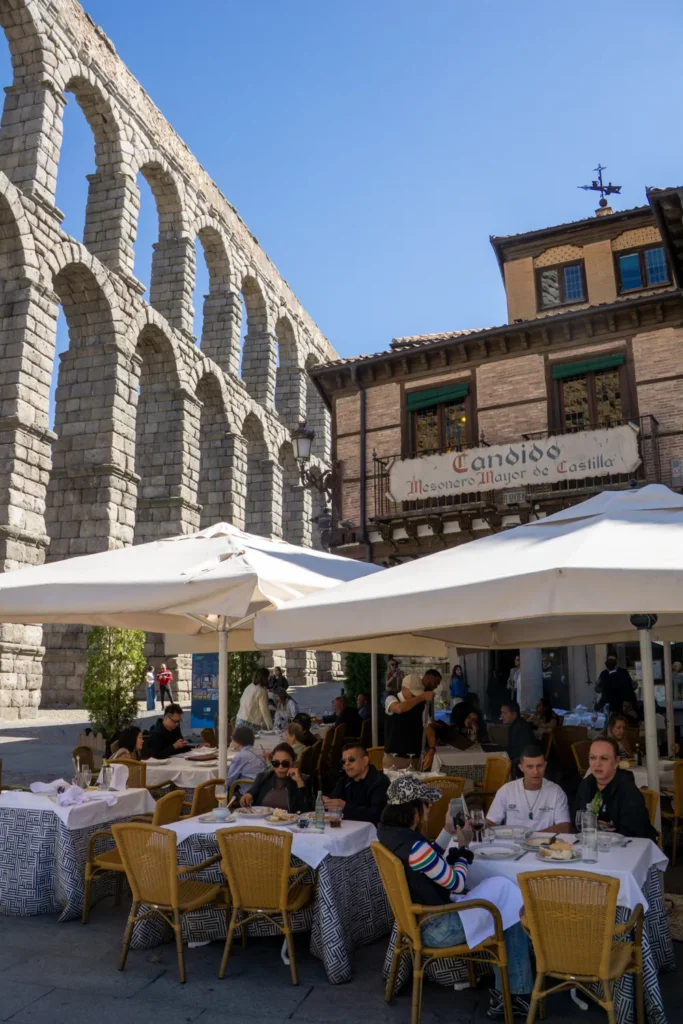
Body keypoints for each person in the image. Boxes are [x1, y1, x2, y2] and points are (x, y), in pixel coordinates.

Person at [377, 775, 533, 1020]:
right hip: (437, 927)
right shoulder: (416, 848)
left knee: (504, 901)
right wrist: (463, 849)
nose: (430, 810)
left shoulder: (389, 834)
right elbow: (457, 883)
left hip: (414, 922)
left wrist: (447, 831)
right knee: (508, 898)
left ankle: (511, 994)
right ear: (414, 811)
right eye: (426, 806)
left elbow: (427, 863)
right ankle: (514, 996)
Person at [574, 738, 657, 840]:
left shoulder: (628, 790)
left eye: (604, 758)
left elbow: (632, 834)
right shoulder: (586, 784)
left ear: (616, 761)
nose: (597, 764)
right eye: (592, 758)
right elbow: (576, 821)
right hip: (591, 846)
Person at [486, 745, 570, 832]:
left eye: (539, 766)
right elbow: (491, 822)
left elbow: (564, 827)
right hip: (513, 842)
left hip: (544, 843)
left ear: (545, 766)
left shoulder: (556, 791)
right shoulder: (507, 790)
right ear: (521, 767)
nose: (535, 771)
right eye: (530, 766)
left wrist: (532, 838)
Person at [384, 671, 440, 770]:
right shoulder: (391, 699)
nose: (415, 696)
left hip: (415, 757)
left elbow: (429, 729)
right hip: (395, 757)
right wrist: (421, 697)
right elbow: (399, 709)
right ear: (403, 689)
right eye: (413, 693)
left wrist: (432, 749)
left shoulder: (421, 705)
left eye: (418, 693)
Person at [324, 742, 390, 823]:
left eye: (351, 759)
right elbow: (333, 800)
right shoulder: (344, 781)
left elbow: (376, 815)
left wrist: (345, 808)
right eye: (343, 761)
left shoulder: (380, 782)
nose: (347, 764)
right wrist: (326, 802)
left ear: (365, 761)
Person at [240, 741, 314, 812]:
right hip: (263, 822)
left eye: (285, 763)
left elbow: (307, 811)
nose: (280, 767)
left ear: (293, 762)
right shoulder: (263, 777)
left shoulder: (304, 780)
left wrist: (299, 782)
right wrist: (247, 797)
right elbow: (251, 792)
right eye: (276, 763)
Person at [226, 725, 267, 797]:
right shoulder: (257, 751)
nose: (231, 740)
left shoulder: (240, 756)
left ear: (239, 741)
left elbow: (229, 781)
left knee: (221, 789)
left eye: (232, 738)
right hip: (262, 789)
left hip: (248, 792)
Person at [235, 667, 272, 731]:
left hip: (239, 720)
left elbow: (241, 701)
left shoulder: (249, 687)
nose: (269, 679)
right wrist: (270, 727)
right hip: (250, 724)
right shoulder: (262, 691)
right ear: (264, 678)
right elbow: (265, 711)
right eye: (268, 677)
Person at [501, 700, 536, 766]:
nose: (502, 716)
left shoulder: (519, 727)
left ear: (514, 714)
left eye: (504, 713)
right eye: (501, 713)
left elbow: (519, 752)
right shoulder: (517, 724)